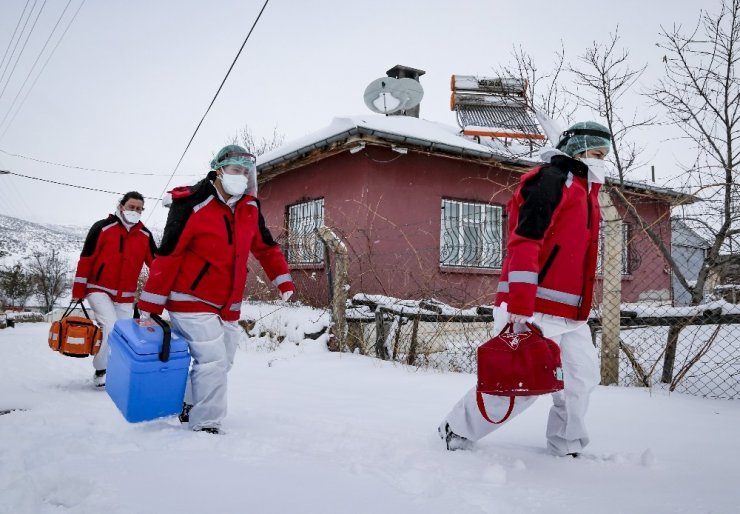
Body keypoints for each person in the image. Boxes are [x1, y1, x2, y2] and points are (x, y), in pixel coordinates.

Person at [439, 121, 612, 457]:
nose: (602, 160)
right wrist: (520, 299)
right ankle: (457, 429)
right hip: (533, 306)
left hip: (571, 312)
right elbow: (526, 240)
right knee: (520, 383)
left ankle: (567, 442)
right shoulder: (550, 180)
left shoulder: (587, 193)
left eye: (605, 155)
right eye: (596, 153)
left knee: (580, 378)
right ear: (576, 150)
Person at [137, 144, 295, 434]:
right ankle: (206, 423)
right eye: (236, 170)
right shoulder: (191, 203)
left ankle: (188, 403)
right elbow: (168, 255)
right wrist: (149, 305)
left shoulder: (249, 207)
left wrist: (282, 279)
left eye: (247, 172)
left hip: (228, 303)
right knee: (212, 360)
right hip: (190, 298)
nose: (242, 177)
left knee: (223, 362)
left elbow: (266, 247)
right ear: (219, 170)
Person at [72, 191, 157, 387]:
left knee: (124, 334)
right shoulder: (102, 228)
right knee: (110, 327)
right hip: (98, 288)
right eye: (131, 207)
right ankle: (101, 369)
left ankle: (117, 369)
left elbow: (157, 264)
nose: (134, 211)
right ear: (121, 206)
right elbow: (86, 259)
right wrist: (78, 292)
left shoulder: (145, 235)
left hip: (126, 295)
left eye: (138, 208)